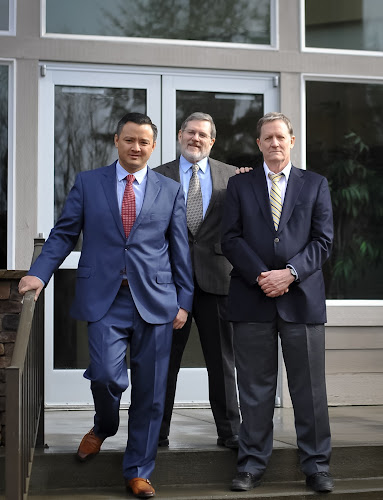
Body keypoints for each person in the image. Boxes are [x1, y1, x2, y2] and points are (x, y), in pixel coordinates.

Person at [18, 112, 193, 499]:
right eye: (129, 140)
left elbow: (180, 250)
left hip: (156, 300)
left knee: (151, 391)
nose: (136, 148)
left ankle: (138, 471)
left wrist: (184, 301)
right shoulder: (89, 182)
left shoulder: (169, 189)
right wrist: (39, 273)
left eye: (144, 142)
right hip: (105, 299)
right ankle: (104, 425)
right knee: (104, 376)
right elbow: (64, 234)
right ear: (116, 141)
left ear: (153, 146)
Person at [221, 112, 334, 494]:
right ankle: (251, 465)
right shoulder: (239, 185)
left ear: (292, 140)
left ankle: (317, 466)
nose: (274, 143)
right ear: (259, 143)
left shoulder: (315, 184)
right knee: (255, 390)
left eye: (280, 137)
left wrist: (290, 273)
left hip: (302, 301)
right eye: (267, 138)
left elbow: (323, 241)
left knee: (309, 391)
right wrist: (261, 275)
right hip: (252, 299)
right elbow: (230, 238)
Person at [154, 112, 241, 449]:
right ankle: (156, 433)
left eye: (203, 134)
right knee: (164, 362)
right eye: (190, 132)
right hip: (169, 284)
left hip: (216, 280)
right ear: (180, 135)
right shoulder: (158, 175)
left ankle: (230, 432)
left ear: (212, 141)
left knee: (222, 361)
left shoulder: (232, 176)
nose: (196, 138)